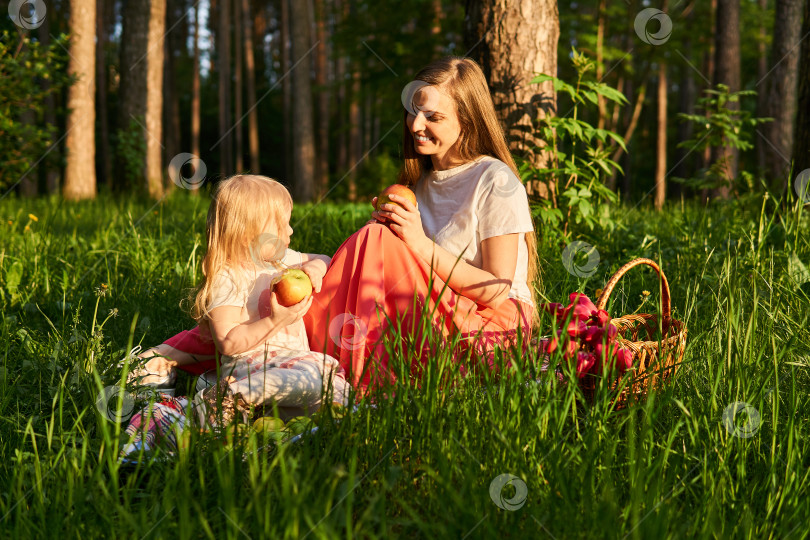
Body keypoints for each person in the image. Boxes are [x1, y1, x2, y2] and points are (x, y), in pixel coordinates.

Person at [131, 56, 538, 397]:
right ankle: (195, 350)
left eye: (433, 116)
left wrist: (413, 243)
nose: (416, 126)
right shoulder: (422, 181)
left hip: (490, 321)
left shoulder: (495, 180)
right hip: (428, 308)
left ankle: (355, 385)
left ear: (467, 119)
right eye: (413, 112)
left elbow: (497, 290)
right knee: (302, 299)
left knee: (370, 244)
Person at [120, 175, 350, 457]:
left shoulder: (282, 260)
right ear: (248, 235)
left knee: (338, 394)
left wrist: (315, 268)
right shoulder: (228, 278)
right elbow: (228, 342)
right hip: (252, 369)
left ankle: (232, 410)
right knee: (318, 380)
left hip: (287, 373)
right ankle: (207, 404)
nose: (291, 231)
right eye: (282, 225)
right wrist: (274, 321)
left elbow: (325, 258)